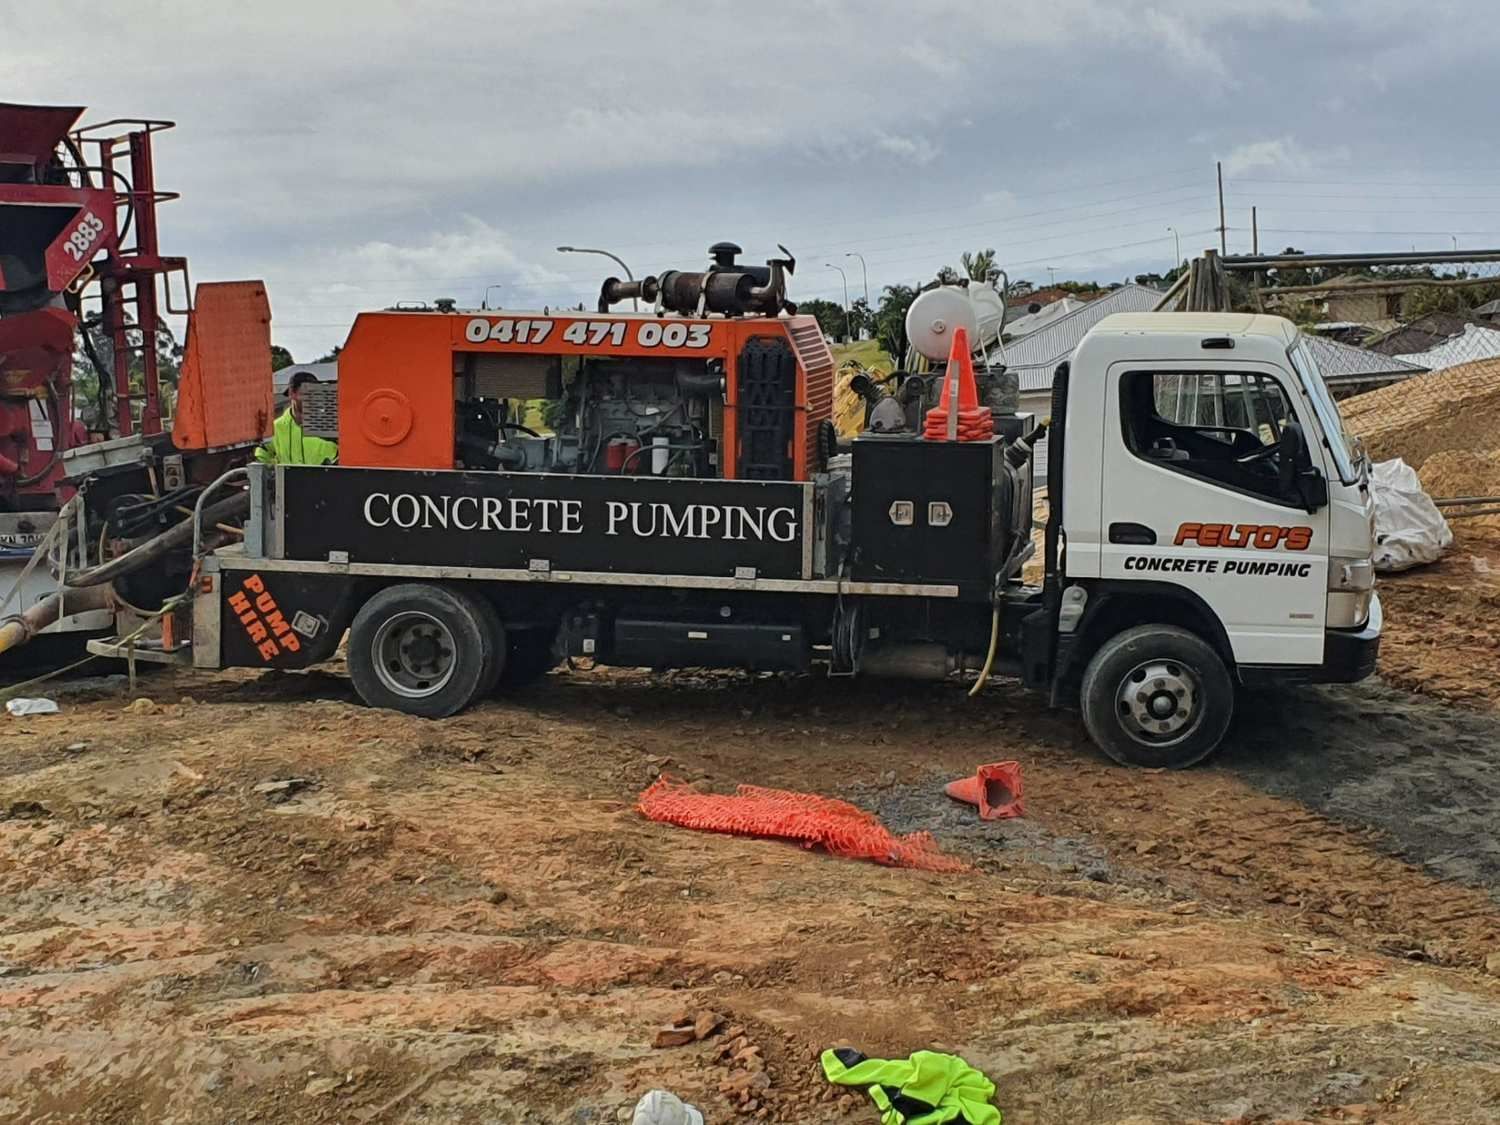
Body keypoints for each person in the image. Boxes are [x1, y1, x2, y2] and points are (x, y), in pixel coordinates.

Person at [256, 370, 338, 465]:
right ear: (292, 393)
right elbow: (262, 454)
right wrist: (270, 471)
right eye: (307, 392)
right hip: (289, 480)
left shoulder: (330, 426)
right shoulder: (276, 428)